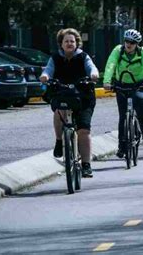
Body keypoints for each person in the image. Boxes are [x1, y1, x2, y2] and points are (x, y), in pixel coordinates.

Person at [40, 28, 99, 178]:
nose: (69, 43)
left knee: (83, 130)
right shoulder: (55, 58)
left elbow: (91, 68)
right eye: (66, 41)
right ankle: (59, 140)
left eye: (72, 41)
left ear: (77, 43)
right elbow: (48, 70)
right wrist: (45, 76)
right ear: (61, 43)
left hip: (83, 96)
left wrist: (93, 74)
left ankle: (86, 165)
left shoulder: (83, 57)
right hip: (62, 93)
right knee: (59, 110)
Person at [103, 29, 143, 158]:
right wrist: (107, 81)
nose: (129, 44)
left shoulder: (142, 52)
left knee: (139, 100)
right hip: (121, 85)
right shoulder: (118, 50)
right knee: (123, 116)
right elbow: (111, 64)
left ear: (137, 43)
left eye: (132, 42)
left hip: (139, 84)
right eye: (127, 41)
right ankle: (122, 146)